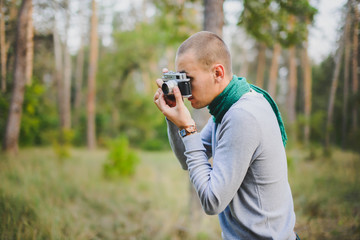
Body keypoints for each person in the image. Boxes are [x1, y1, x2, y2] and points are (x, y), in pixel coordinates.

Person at [153, 31, 297, 240]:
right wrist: (173, 117)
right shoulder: (227, 108)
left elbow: (213, 202)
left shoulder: (242, 115)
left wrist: (189, 128)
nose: (184, 89)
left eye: (189, 79)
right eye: (180, 79)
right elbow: (188, 159)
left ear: (217, 73)